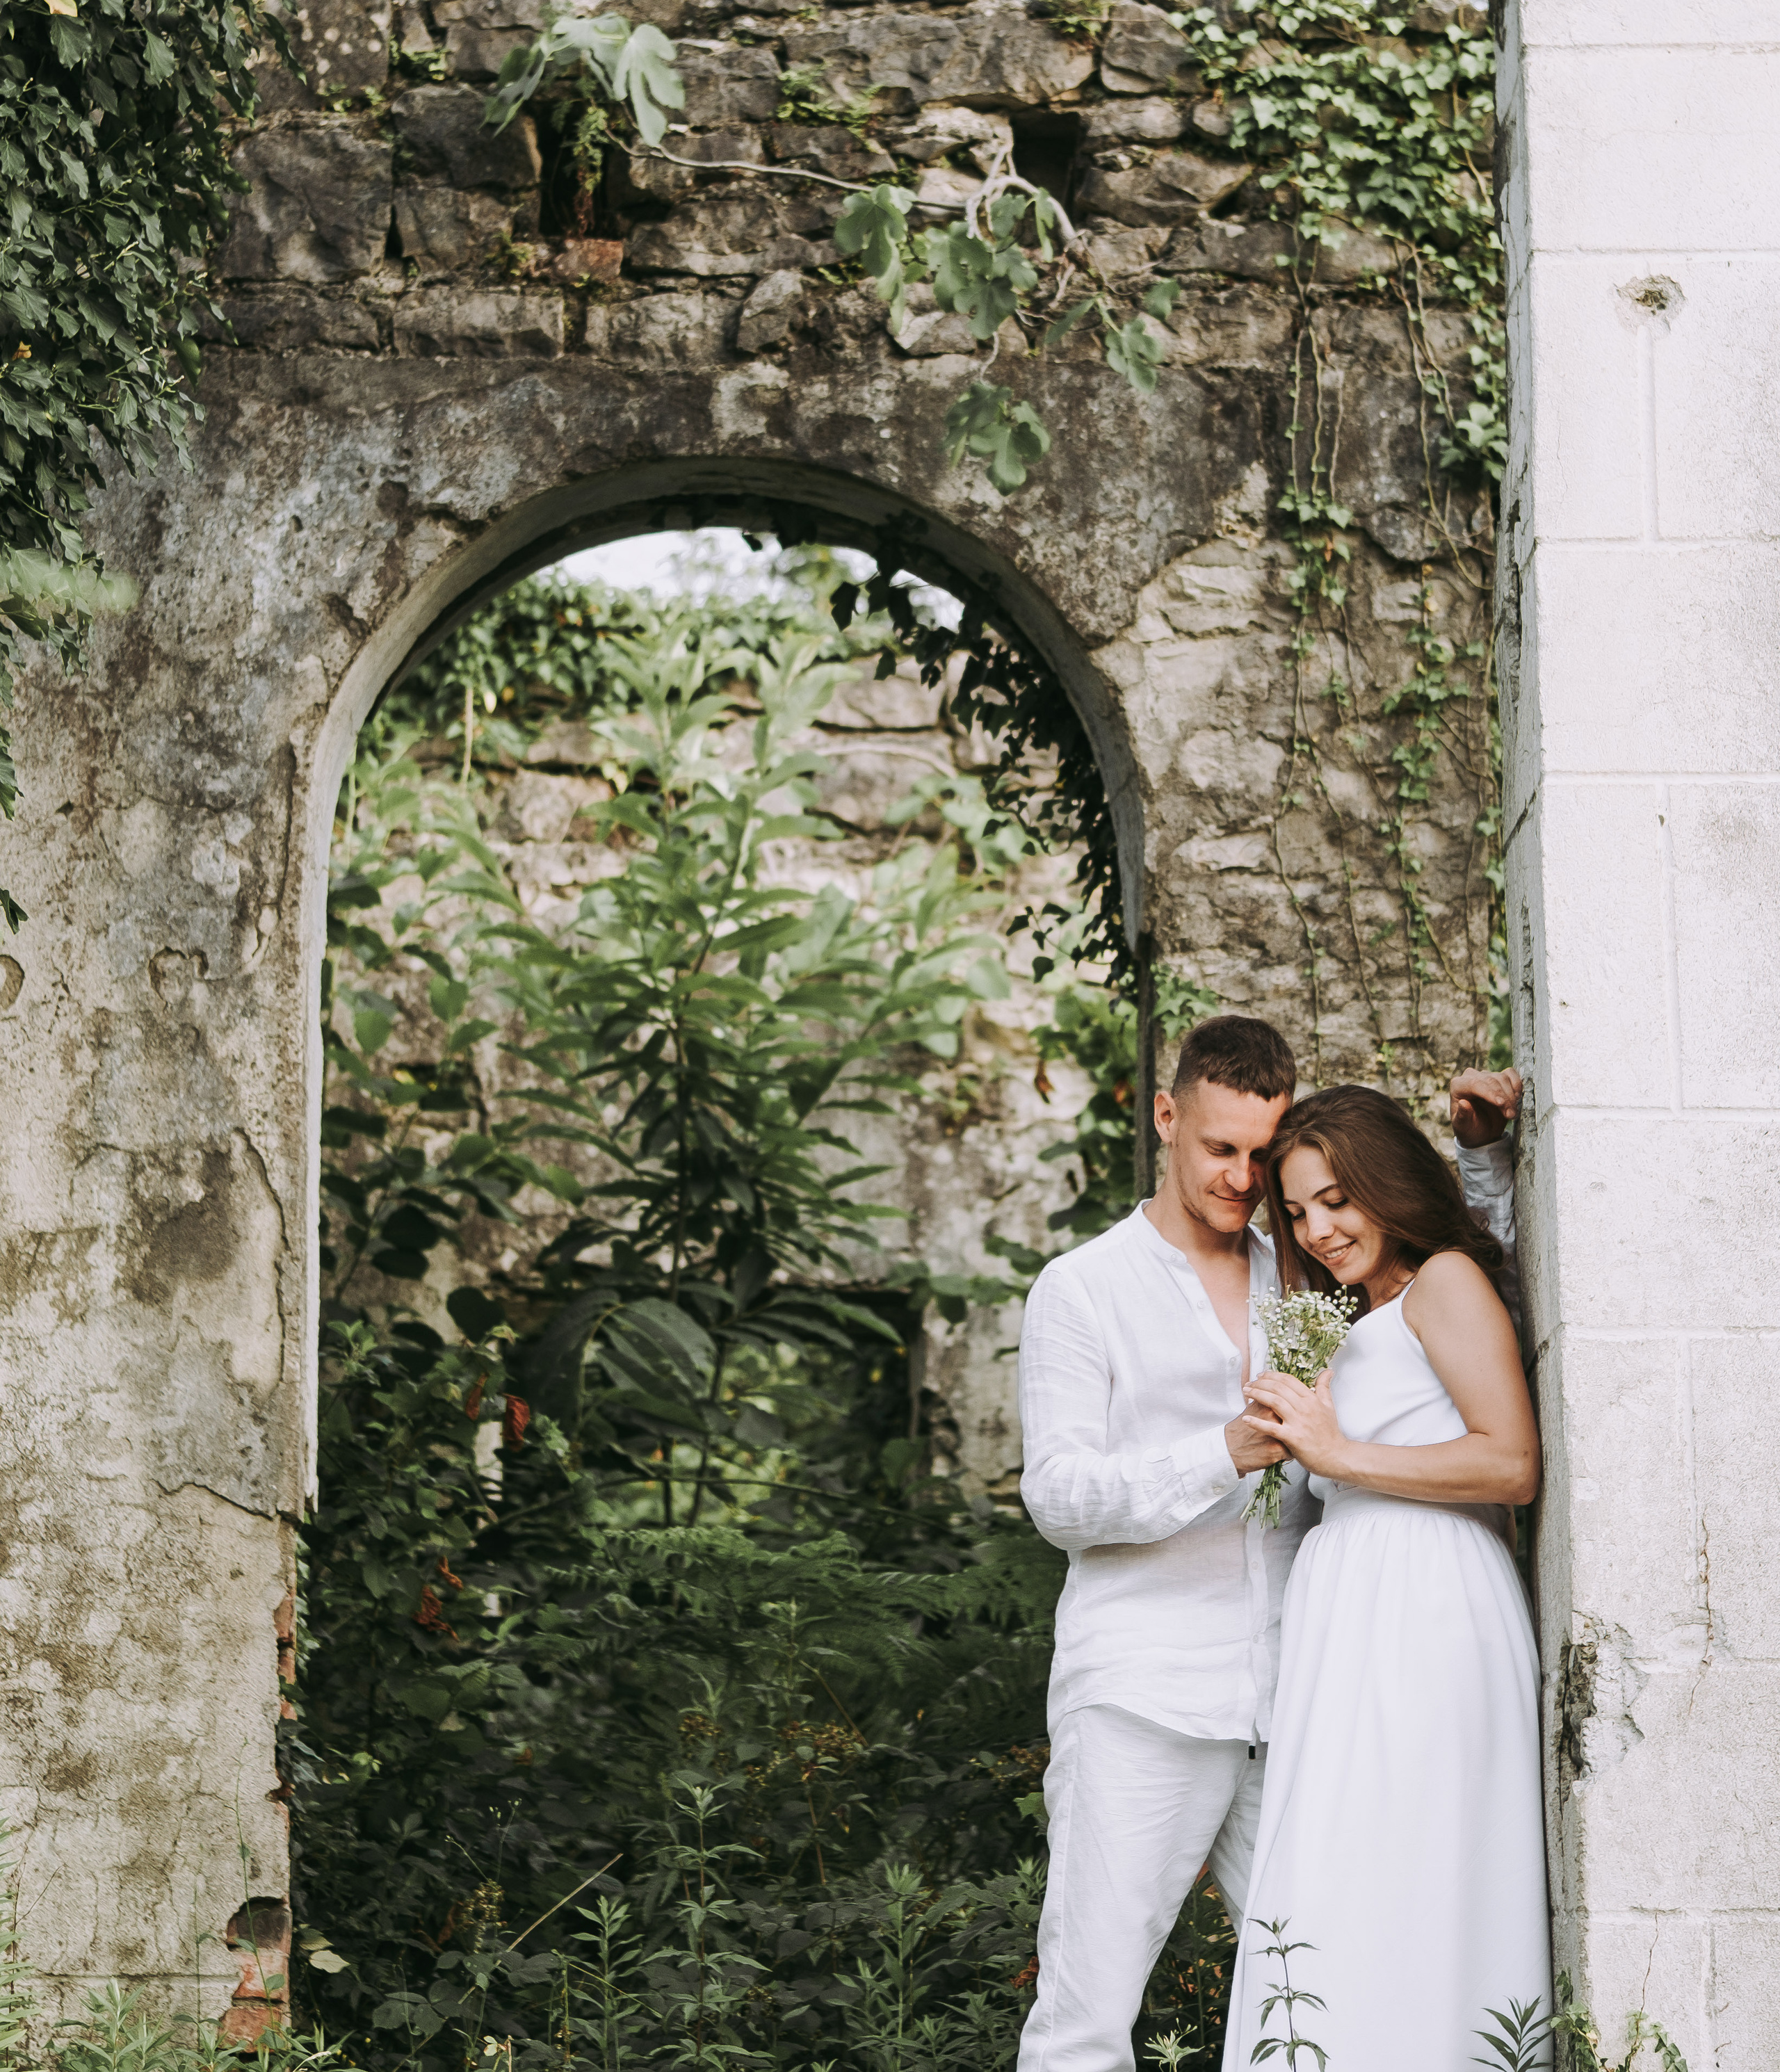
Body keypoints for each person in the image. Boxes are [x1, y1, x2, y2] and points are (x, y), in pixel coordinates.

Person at [1014, 1014, 1523, 2072]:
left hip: (1307, 1690)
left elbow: (1447, 1288)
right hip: (1149, 1696)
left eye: (1263, 1154)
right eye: (1220, 1151)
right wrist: (1230, 1450)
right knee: (1087, 2018)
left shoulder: (1303, 1268)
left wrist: (1487, 1159)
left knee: (1343, 1985)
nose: (1245, 1179)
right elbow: (1059, 1498)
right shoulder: (1083, 1289)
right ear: (1165, 1117)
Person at [1222, 1085, 1547, 2070]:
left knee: (1419, 1867)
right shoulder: (1345, 1317)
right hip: (1350, 1606)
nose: (1318, 1230)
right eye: (1299, 1211)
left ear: (1388, 1187)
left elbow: (1512, 1464)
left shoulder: (1444, 1280)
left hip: (1429, 1597)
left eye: (1337, 1201)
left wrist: (1334, 1452)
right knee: (1343, 1876)